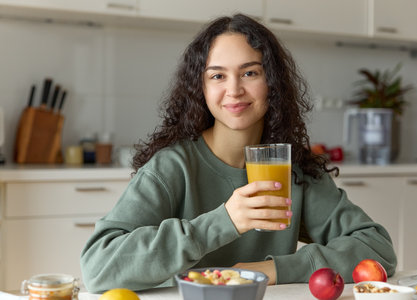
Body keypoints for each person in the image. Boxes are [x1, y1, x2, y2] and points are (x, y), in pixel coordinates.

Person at [80, 14, 397, 293]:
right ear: (201, 88)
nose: (234, 90)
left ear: (272, 83)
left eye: (250, 73)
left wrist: (271, 270)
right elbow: (98, 268)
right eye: (217, 75)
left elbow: (377, 248)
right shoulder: (172, 168)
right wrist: (224, 221)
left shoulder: (292, 169)